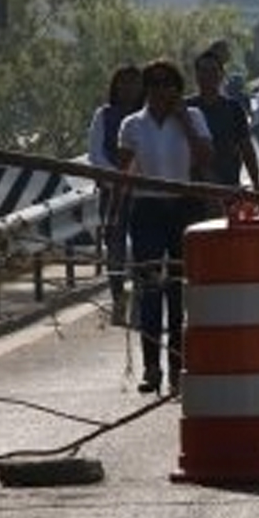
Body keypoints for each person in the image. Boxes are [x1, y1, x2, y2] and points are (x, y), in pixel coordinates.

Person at [116, 58, 212, 394]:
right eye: (154, 84)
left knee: (177, 290)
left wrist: (184, 119)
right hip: (147, 209)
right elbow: (121, 173)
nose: (161, 90)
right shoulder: (132, 125)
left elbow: (204, 158)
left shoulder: (194, 118)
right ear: (147, 88)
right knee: (150, 289)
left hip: (183, 207)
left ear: (177, 88)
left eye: (167, 83)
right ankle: (151, 366)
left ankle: (177, 365)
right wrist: (114, 216)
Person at [86, 63, 142, 326]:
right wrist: (117, 179)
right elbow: (95, 154)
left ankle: (143, 305)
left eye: (134, 83)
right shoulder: (104, 115)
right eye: (123, 82)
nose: (128, 88)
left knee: (145, 250)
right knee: (116, 249)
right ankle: (119, 301)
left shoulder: (146, 116)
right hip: (112, 194)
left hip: (144, 194)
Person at [188, 48, 259, 201]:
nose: (208, 75)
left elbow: (246, 148)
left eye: (213, 70)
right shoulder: (185, 108)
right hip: (192, 190)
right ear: (196, 75)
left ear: (221, 75)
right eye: (203, 70)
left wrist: (256, 184)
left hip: (228, 187)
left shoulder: (233, 109)